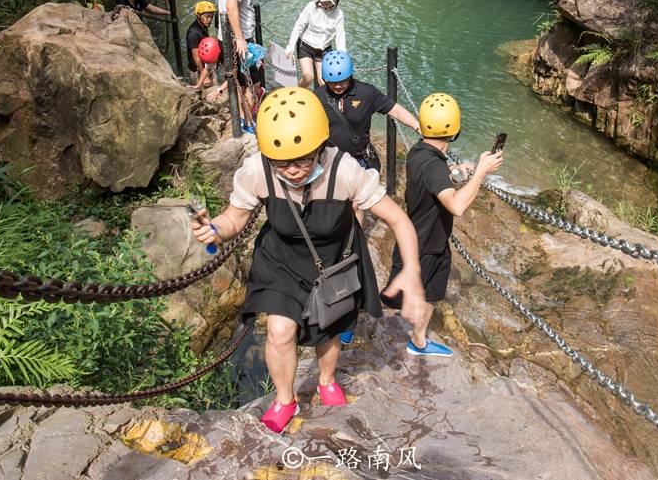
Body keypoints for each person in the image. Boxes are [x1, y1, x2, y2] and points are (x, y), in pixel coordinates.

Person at [190, 87, 428, 434]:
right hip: (282, 258)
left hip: (332, 261)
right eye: (282, 162)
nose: (294, 170)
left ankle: (327, 380)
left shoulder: (344, 171)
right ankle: (285, 399)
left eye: (303, 159)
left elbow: (399, 220)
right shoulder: (259, 170)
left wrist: (412, 273)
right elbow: (234, 219)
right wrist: (215, 229)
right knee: (279, 329)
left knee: (328, 331)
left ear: (320, 146)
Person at [381, 93, 504, 358]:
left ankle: (419, 342)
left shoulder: (420, 152)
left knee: (431, 295)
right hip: (422, 245)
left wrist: (459, 173)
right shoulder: (433, 166)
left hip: (433, 241)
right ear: (455, 130)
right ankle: (350, 322)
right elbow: (457, 206)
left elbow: (435, 179)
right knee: (393, 299)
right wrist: (481, 172)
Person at [314, 50, 420, 173]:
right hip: (329, 160)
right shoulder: (318, 96)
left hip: (358, 160)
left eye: (342, 81)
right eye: (332, 82)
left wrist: (417, 126)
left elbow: (395, 110)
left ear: (350, 76)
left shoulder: (366, 93)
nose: (337, 86)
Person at [216, 0, 280, 132]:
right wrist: (241, 39)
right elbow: (230, 6)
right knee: (252, 83)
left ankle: (246, 121)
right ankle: (248, 123)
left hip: (235, 37)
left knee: (242, 82)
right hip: (239, 40)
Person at [285, 0, 346, 88]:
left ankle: (319, 101)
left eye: (330, 3)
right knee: (308, 77)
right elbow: (299, 26)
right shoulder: (311, 7)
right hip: (306, 46)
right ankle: (295, 90)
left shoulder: (339, 14)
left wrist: (343, 57)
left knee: (324, 81)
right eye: (324, 2)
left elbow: (340, 36)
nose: (326, 6)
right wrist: (290, 47)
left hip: (324, 49)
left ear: (336, 1)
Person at [186, 1, 220, 88]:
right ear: (198, 16)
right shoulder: (193, 33)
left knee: (215, 88)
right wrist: (204, 76)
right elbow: (195, 56)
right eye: (207, 16)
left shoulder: (203, 27)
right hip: (197, 70)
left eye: (211, 17)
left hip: (207, 65)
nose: (209, 20)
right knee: (203, 93)